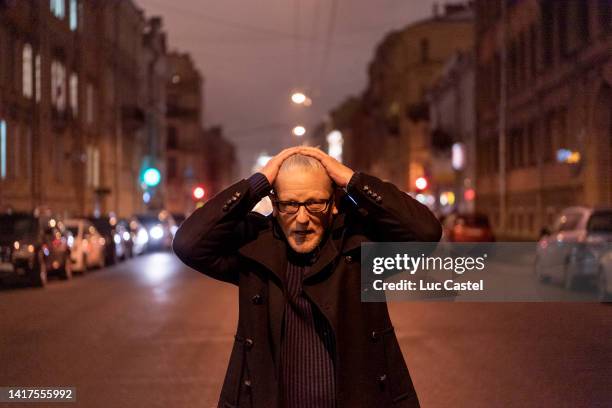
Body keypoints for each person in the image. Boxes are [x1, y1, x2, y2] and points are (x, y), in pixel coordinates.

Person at [173, 146, 442, 408]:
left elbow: (425, 233)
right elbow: (188, 244)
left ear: (333, 203)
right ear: (275, 206)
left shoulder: (359, 247)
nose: (302, 218)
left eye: (314, 203)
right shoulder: (254, 249)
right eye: (290, 204)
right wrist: (257, 183)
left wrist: (353, 181)